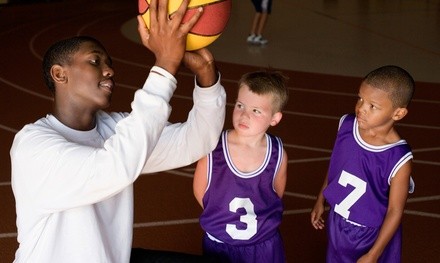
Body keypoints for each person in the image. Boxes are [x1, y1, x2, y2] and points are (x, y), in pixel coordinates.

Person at [10, 0, 226, 262]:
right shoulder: (32, 145)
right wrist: (165, 65)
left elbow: (196, 140)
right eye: (94, 61)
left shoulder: (115, 129)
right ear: (59, 74)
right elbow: (113, 167)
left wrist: (206, 75)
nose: (109, 70)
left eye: (109, 63)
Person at [310, 65, 415, 263]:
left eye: (372, 106)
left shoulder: (398, 159)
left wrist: (373, 254)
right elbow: (337, 167)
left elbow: (395, 211)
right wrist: (321, 199)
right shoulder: (347, 125)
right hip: (337, 221)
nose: (361, 108)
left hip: (370, 235)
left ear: (398, 113)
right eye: (360, 98)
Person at [193, 71, 289, 262]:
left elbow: (276, 194)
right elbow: (201, 193)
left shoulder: (277, 154)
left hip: (264, 245)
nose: (244, 115)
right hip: (220, 244)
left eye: (256, 110)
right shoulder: (213, 149)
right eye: (240, 105)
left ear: (275, 118)